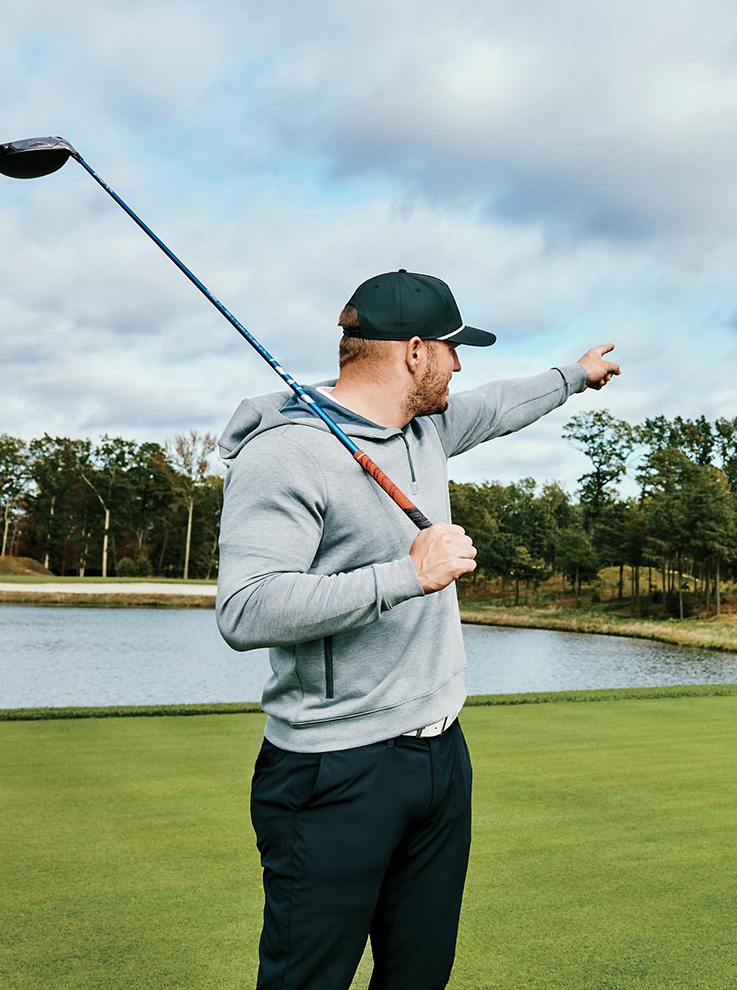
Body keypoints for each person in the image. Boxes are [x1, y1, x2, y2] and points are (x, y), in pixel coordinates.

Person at [215, 269, 619, 989]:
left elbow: (498, 406)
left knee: (419, 977)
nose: (460, 366)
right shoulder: (287, 452)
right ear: (413, 352)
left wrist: (576, 376)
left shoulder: (424, 429)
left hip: (439, 756)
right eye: (452, 349)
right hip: (334, 766)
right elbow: (247, 609)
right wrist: (408, 574)